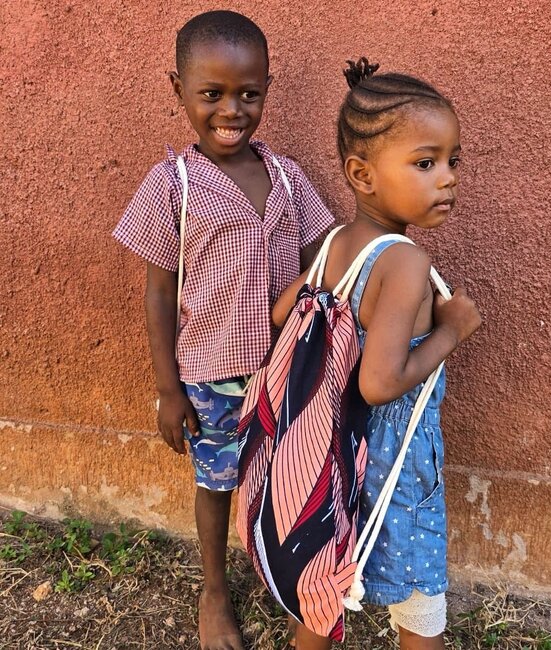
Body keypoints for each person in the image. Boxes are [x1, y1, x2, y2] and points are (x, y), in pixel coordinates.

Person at [112, 11, 333, 650]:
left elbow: (323, 257)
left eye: (248, 93)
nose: (231, 110)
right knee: (217, 481)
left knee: (287, 478)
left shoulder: (288, 177)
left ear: (267, 89)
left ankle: (282, 575)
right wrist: (168, 389)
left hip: (288, 372)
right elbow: (159, 293)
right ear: (177, 88)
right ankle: (213, 588)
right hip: (212, 376)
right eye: (211, 94)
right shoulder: (173, 185)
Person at [272, 59, 482, 649]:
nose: (447, 179)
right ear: (362, 175)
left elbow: (284, 313)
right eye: (425, 163)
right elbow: (379, 383)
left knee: (327, 573)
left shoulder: (335, 243)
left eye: (453, 160)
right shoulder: (406, 262)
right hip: (394, 461)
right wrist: (451, 332)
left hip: (331, 450)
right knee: (419, 595)